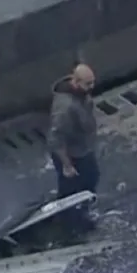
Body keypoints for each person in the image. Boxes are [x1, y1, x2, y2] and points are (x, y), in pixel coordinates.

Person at [47, 64, 99, 234]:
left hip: (82, 148)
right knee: (71, 189)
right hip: (71, 154)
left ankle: (79, 213)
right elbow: (56, 138)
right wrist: (67, 165)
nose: (92, 87)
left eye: (92, 82)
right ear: (76, 82)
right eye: (88, 84)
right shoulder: (65, 108)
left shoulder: (81, 95)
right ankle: (70, 224)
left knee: (90, 178)